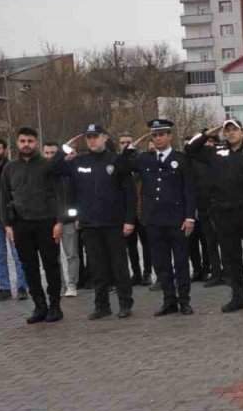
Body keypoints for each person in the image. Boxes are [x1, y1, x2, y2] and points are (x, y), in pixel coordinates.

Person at [186, 119, 243, 312]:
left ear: (242, 132)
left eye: (235, 130)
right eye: (227, 130)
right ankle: (238, 297)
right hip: (223, 214)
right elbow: (190, 148)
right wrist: (208, 132)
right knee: (232, 258)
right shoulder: (216, 153)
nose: (231, 133)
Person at [118, 119, 198, 315]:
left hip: (177, 219)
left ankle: (184, 301)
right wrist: (130, 148)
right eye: (154, 135)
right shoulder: (145, 159)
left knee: (180, 263)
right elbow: (120, 168)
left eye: (162, 134)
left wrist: (190, 217)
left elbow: (189, 190)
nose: (158, 138)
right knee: (161, 264)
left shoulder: (181, 159)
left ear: (169, 136)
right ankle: (168, 300)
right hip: (154, 220)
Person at [57, 123, 136, 318]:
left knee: (119, 266)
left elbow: (130, 193)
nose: (92, 140)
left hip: (114, 223)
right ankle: (102, 306)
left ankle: (125, 304)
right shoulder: (79, 161)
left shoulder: (116, 161)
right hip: (90, 224)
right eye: (88, 137)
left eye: (95, 136)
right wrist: (64, 148)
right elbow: (56, 169)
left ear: (105, 138)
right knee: (97, 267)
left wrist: (129, 220)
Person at [0, 127, 68, 322]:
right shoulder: (10, 168)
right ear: (17, 143)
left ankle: (55, 306)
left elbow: (60, 195)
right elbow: (4, 196)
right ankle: (39, 306)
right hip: (21, 225)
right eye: (23, 141)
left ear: (36, 143)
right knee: (29, 267)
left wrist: (60, 221)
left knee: (51, 266)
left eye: (30, 141)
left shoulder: (47, 166)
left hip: (46, 223)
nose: (26, 144)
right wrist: (7, 225)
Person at [0, 136, 28, 301]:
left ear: (4, 150)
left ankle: (22, 287)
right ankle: (4, 288)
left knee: (18, 255)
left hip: (12, 219)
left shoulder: (11, 168)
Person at [44, 141, 80, 297]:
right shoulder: (42, 173)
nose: (51, 156)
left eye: (54, 152)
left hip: (67, 218)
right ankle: (59, 285)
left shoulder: (68, 172)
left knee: (71, 254)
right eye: (47, 153)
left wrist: (77, 216)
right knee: (53, 256)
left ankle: (72, 284)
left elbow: (76, 194)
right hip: (47, 220)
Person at [117, 134, 153, 287]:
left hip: (143, 210)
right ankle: (136, 273)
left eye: (128, 142)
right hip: (127, 213)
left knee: (147, 245)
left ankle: (147, 273)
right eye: (122, 142)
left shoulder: (141, 160)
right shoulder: (118, 162)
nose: (125, 144)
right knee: (130, 246)